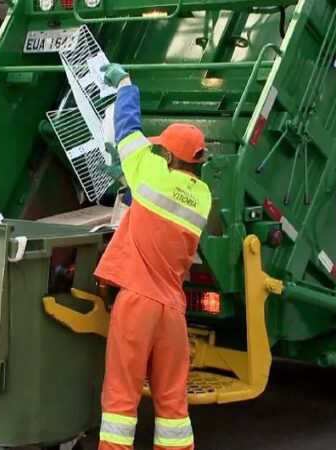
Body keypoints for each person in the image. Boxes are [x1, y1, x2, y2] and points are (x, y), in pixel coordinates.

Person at [94, 63, 212, 450]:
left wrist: (126, 85)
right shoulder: (202, 197)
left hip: (137, 303)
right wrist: (131, 183)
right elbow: (160, 205)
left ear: (171, 157)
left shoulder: (150, 174)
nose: (159, 152)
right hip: (172, 311)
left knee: (120, 402)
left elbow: (127, 129)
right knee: (173, 408)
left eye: (163, 150)